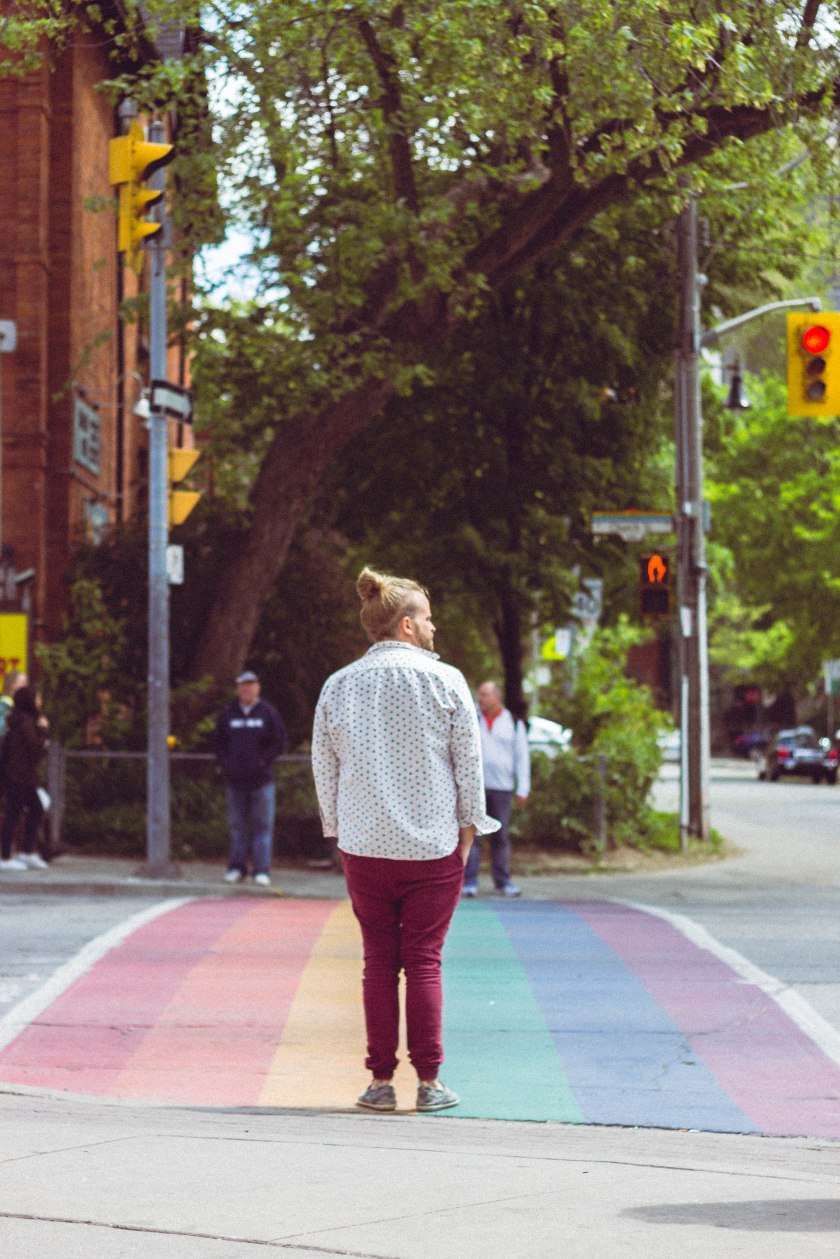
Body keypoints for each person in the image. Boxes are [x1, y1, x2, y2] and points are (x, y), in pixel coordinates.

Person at [312, 566, 499, 1114]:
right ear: (408, 625)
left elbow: (325, 766)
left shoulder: (339, 685)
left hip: (365, 846)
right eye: (428, 617)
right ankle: (430, 1082)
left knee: (377, 961)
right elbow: (469, 764)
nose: (434, 626)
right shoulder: (446, 682)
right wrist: (469, 833)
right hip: (432, 846)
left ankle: (379, 1081)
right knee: (423, 961)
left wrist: (338, 829)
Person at [213, 670, 287, 887]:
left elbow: (279, 741)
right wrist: (227, 763)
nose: (247, 689)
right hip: (235, 781)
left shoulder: (268, 713)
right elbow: (218, 742)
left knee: (262, 828)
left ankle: (261, 870)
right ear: (238, 688)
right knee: (237, 828)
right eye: (243, 685)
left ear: (258, 687)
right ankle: (236, 868)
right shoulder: (228, 714)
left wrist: (263, 761)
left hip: (261, 782)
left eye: (251, 684)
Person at [461, 680, 530, 898]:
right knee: (473, 835)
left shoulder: (513, 723)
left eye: (485, 695)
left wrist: (523, 788)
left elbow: (522, 757)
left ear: (496, 697)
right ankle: (469, 882)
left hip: (502, 788)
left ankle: (502, 881)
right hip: (476, 788)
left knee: (500, 836)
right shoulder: (472, 719)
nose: (480, 699)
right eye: (480, 695)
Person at [0, 685, 50, 871]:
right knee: (15, 814)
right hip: (20, 777)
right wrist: (44, 731)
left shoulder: (17, 721)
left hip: (19, 776)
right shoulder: (27, 723)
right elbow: (35, 748)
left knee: (34, 809)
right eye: (37, 698)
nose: (40, 702)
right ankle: (6, 856)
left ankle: (26, 851)